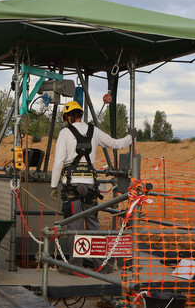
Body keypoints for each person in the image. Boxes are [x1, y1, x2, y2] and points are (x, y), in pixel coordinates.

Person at [50, 101, 136, 274]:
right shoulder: (94, 131)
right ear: (80, 114)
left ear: (68, 116)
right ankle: (101, 264)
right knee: (93, 225)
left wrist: (53, 185)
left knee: (74, 226)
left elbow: (59, 162)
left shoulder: (65, 133)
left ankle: (75, 266)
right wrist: (131, 137)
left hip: (72, 186)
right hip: (90, 187)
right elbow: (115, 144)